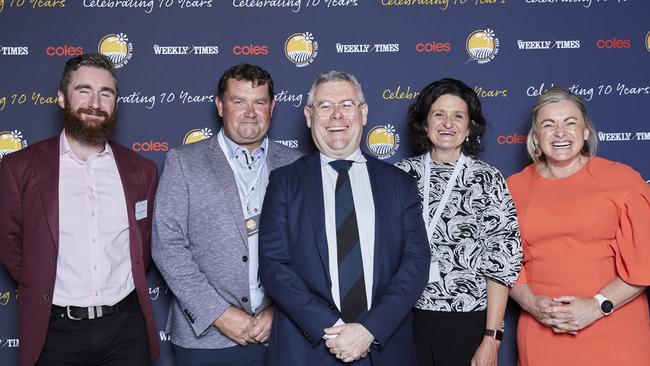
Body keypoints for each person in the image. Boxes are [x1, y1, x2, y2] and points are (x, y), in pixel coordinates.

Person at [258, 70, 430, 365]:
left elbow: (415, 262)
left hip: (383, 347)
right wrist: (334, 329)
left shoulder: (399, 184)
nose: (336, 116)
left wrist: (368, 329)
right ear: (309, 116)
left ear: (363, 113)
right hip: (308, 348)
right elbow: (274, 266)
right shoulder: (284, 182)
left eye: (347, 105)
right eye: (325, 106)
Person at [0, 53, 160, 366]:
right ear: (61, 98)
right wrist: (42, 279)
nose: (95, 103)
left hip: (126, 328)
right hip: (55, 330)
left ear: (115, 102)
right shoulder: (19, 167)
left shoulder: (142, 170)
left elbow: (146, 245)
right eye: (84, 90)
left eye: (106, 93)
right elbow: (11, 244)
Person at [152, 64, 302, 365]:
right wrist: (218, 313)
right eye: (238, 101)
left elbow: (309, 249)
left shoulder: (296, 164)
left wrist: (281, 310)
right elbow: (167, 247)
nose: (250, 111)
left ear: (272, 107)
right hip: (206, 340)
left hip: (280, 333)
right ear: (220, 106)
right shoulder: (184, 162)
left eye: (259, 102)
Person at [507, 86, 650, 365]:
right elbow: (505, 261)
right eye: (549, 125)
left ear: (586, 132)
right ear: (536, 137)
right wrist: (531, 304)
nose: (560, 132)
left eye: (570, 123)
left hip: (613, 324)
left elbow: (644, 262)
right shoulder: (513, 187)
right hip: (541, 329)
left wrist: (597, 306)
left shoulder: (623, 180)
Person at [395, 78, 522, 366]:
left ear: (470, 127)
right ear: (424, 122)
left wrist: (492, 337)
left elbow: (502, 261)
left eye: (458, 116)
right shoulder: (400, 175)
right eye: (439, 114)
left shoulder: (487, 179)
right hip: (404, 320)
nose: (447, 123)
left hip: (467, 321)